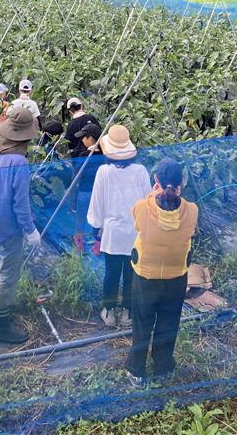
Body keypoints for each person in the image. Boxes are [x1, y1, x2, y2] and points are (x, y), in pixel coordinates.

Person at [125, 158, 198, 388]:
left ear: (155, 180)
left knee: (142, 324)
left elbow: (139, 221)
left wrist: (152, 195)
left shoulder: (142, 208)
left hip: (145, 276)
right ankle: (163, 367)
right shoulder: (192, 211)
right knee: (168, 323)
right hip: (176, 278)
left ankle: (137, 371)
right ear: (181, 184)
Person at [0, 107, 41, 343]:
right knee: (8, 273)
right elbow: (20, 203)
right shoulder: (19, 162)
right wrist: (30, 230)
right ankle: (0, 326)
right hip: (9, 226)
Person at [87, 125, 151, 329]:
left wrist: (96, 229)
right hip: (135, 233)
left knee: (111, 274)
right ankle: (128, 313)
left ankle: (108, 311)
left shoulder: (104, 172)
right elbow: (148, 203)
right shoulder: (140, 171)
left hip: (112, 233)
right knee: (131, 274)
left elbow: (97, 205)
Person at [72, 122, 103, 253]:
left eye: (84, 137)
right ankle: (98, 244)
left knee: (81, 218)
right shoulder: (104, 155)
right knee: (99, 218)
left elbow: (76, 176)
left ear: (91, 138)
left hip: (85, 191)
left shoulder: (84, 156)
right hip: (100, 194)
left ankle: (79, 244)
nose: (82, 140)